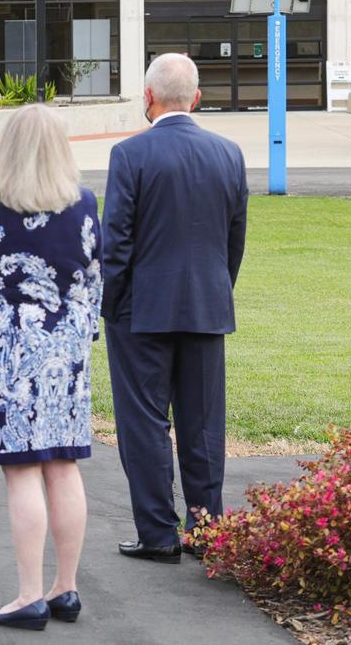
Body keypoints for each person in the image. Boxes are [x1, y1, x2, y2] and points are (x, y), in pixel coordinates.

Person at [0, 104, 102, 630]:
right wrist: (83, 331)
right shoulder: (84, 203)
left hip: (11, 355)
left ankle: (29, 596)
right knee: (64, 465)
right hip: (67, 353)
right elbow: (95, 275)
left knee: (22, 470)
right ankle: (65, 588)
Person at [102, 53, 248, 563]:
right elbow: (234, 239)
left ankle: (158, 533)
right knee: (203, 423)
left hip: (141, 311)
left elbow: (116, 241)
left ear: (148, 96)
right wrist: (216, 291)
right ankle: (206, 530)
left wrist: (110, 305)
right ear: (197, 98)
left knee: (143, 422)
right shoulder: (229, 153)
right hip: (206, 305)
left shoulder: (130, 154)